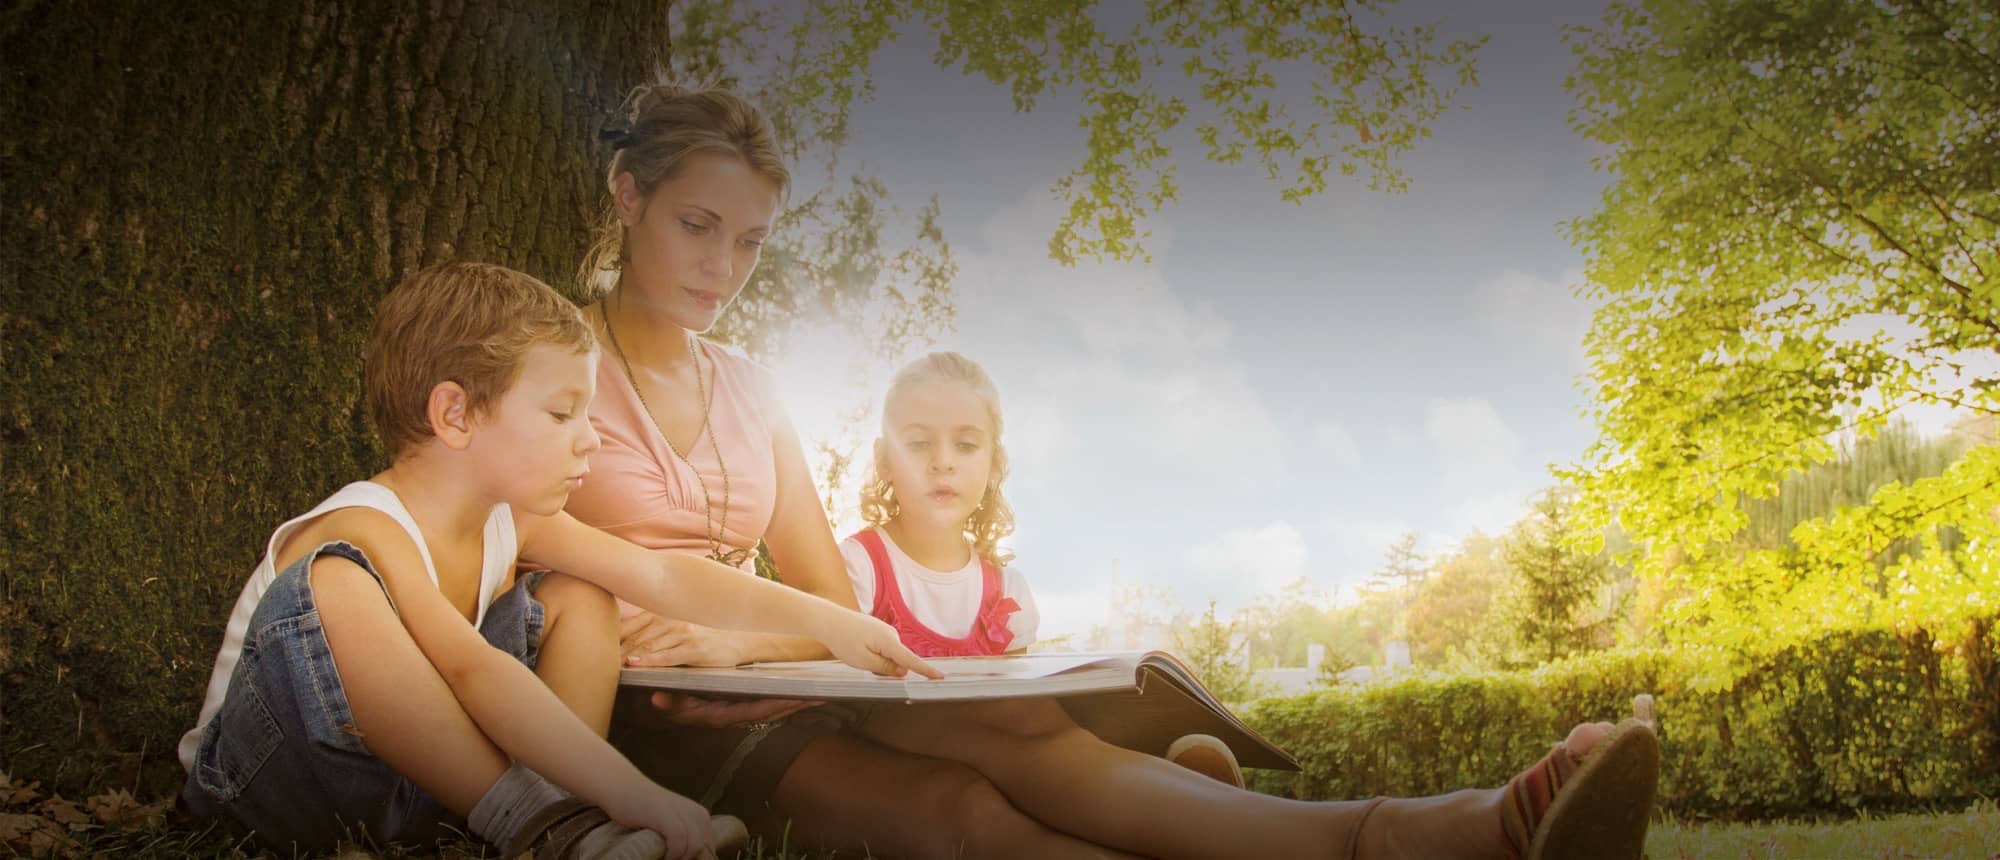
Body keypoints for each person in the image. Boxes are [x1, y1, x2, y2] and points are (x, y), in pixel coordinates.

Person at [566, 80, 1662, 859]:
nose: (723, 266)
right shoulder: (557, 361)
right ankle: (1290, 828)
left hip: (777, 687)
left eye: (751, 241)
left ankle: (1443, 829)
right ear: (628, 197)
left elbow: (820, 598)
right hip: (640, 722)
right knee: (961, 814)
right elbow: (527, 560)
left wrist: (746, 643)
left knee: (1027, 728)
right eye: (697, 225)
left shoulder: (756, 391)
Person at [177, 262, 937, 860]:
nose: (590, 438)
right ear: (456, 414)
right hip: (268, 782)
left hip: (414, 789)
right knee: (335, 585)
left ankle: (557, 815)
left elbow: (664, 576)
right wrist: (640, 794)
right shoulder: (362, 525)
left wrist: (830, 621)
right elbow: (477, 671)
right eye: (561, 412)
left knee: (582, 591)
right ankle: (552, 824)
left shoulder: (517, 521)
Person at [839, 350, 1247, 786]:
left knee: (1040, 738)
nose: (943, 461)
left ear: (994, 463)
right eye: (919, 443)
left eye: (965, 444)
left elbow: (1020, 709)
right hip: (905, 769)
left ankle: (1180, 795)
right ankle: (1173, 794)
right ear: (883, 459)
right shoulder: (859, 565)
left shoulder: (1007, 589)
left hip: (1001, 764)